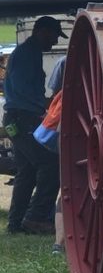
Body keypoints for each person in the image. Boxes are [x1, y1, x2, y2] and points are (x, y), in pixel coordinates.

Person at [4, 16, 63, 235]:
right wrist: (43, 110)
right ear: (43, 31)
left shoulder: (30, 52)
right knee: (50, 164)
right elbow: (20, 88)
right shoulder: (27, 54)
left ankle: (16, 222)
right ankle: (36, 218)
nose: (55, 42)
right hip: (24, 117)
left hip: (17, 118)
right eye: (55, 36)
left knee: (26, 170)